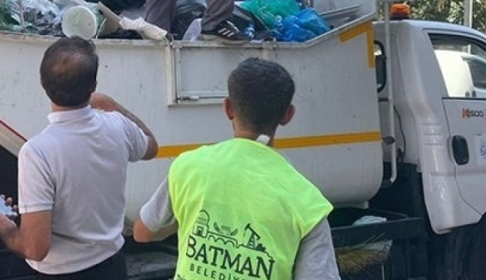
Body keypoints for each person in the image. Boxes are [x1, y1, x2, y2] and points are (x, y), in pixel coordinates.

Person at [133, 58, 340, 279]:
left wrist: (180, 225)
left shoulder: (188, 166)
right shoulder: (308, 204)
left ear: (229, 108)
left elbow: (142, 232)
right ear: (288, 115)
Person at [0, 37, 159, 279]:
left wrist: (4, 226)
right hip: (113, 267)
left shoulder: (38, 152)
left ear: (42, 82)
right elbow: (151, 146)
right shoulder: (118, 126)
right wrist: (111, 104)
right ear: (93, 85)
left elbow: (35, 249)